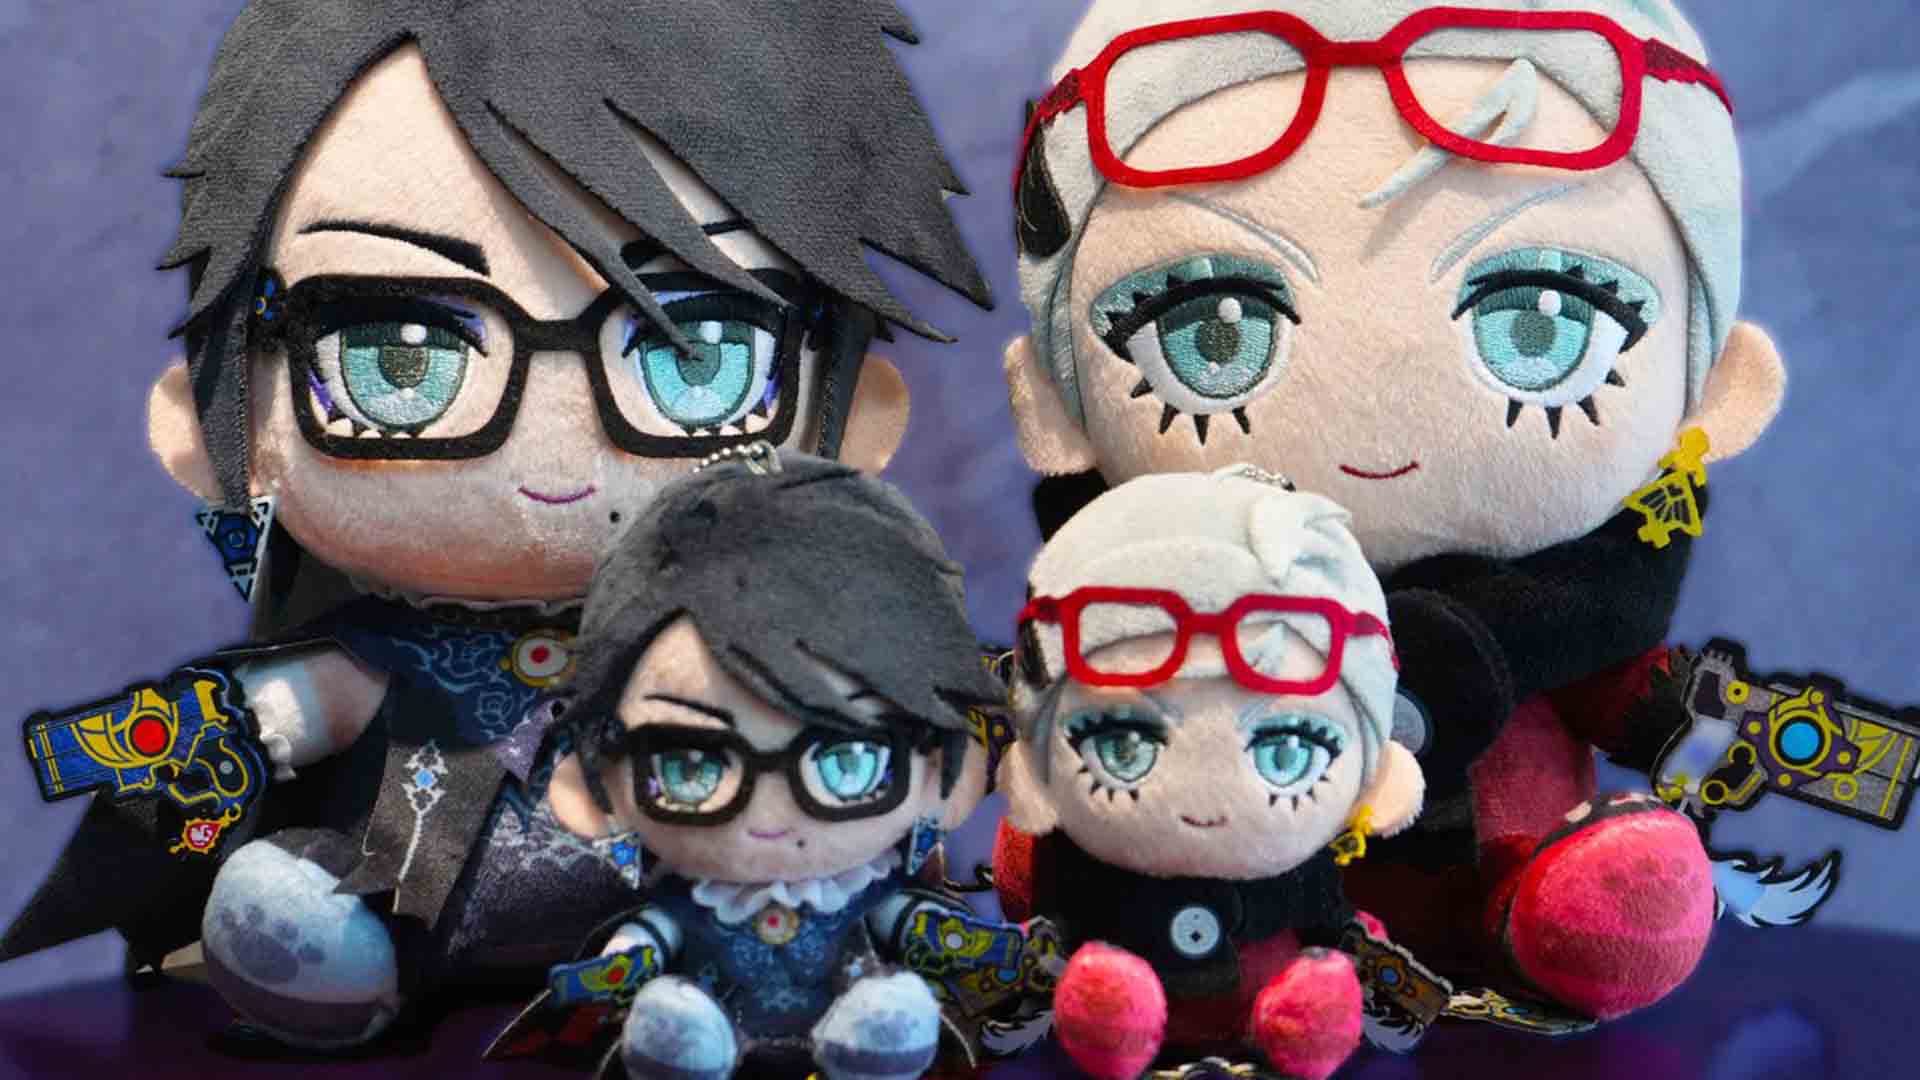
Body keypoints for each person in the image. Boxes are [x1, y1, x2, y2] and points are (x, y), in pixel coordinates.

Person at [3, 0, 991, 1050]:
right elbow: (256, 726)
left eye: (694, 356)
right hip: (411, 934)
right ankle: (335, 962)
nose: (556, 456)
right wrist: (210, 742)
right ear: (220, 419)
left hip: (692, 940)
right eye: (400, 355)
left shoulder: (753, 652)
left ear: (853, 414)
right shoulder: (374, 661)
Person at [1001, 0, 1782, 1020]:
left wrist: (1709, 729)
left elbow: (1643, 702)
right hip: (1236, 954)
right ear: (1057, 407)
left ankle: (1564, 914)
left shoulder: (1583, 610)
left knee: (1602, 894)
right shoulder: (1118, 619)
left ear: (1714, 391)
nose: (1376, 412)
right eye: (1212, 334)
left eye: (1539, 325)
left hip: (1493, 924)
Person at [538, 448, 1013, 1079]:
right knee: (676, 1028)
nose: (769, 814)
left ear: (943, 780)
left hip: (849, 1039)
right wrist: (615, 970)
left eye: (846, 764)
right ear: (596, 786)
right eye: (692, 768)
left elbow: (927, 931)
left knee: (887, 1014)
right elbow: (634, 953)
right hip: (713, 1036)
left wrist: (977, 950)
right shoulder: (686, 907)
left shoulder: (867, 897)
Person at [996, 467, 1423, 1079]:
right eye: (1122, 748)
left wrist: (1338, 974)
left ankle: (1303, 1018)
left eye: (1287, 753)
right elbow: (1044, 921)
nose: (1206, 803)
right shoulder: (1074, 868)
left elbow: (1337, 924)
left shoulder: (1309, 873)